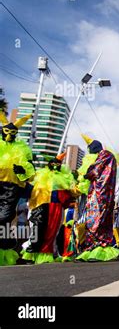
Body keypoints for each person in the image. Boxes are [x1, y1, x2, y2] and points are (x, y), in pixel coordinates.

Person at [21, 152, 76, 264]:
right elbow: (29, 187)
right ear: (49, 164)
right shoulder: (39, 175)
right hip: (40, 206)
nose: (55, 164)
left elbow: (73, 192)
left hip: (56, 207)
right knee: (38, 229)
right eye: (53, 162)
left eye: (58, 163)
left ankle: (46, 253)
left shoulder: (65, 178)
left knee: (52, 231)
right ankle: (34, 253)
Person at [76, 135, 119, 262]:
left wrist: (86, 174)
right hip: (100, 192)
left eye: (90, 148)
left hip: (102, 194)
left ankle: (99, 246)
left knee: (97, 219)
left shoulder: (105, 154)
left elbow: (94, 170)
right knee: (95, 218)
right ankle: (93, 247)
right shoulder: (106, 155)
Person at [0, 112, 35, 266]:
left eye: (13, 133)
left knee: (4, 218)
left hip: (12, 188)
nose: (10, 135)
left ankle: (6, 246)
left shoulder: (22, 148)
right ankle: (7, 242)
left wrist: (22, 171)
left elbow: (31, 170)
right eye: (8, 132)